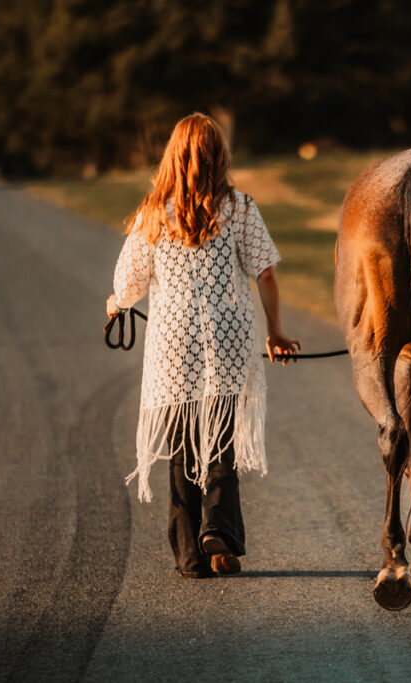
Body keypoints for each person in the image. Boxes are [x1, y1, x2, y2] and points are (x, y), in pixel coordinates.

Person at [107, 113, 300, 579]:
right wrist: (274, 331)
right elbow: (266, 273)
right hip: (229, 337)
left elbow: (128, 284)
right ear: (220, 156)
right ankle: (218, 529)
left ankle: (192, 556)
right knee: (220, 440)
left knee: (182, 447)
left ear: (173, 155)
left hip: (174, 344)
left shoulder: (152, 214)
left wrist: (115, 303)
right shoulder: (239, 208)